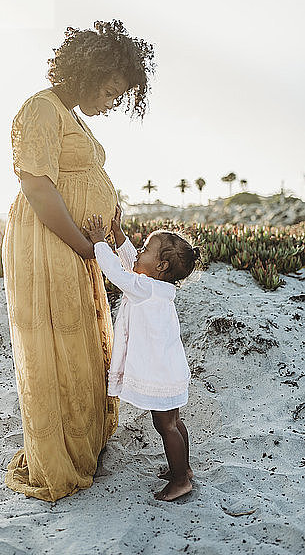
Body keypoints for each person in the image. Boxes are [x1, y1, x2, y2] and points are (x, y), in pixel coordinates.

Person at [2, 20, 156, 501]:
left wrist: (110, 226)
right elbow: (37, 186)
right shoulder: (41, 109)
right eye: (111, 91)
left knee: (82, 343)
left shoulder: (71, 115)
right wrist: (86, 245)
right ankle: (60, 457)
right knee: (56, 343)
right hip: (50, 241)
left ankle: (83, 441)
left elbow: (82, 177)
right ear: (88, 72)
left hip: (79, 242)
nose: (113, 103)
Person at [83, 206, 201, 501]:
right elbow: (131, 263)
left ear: (160, 266)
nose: (139, 251)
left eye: (146, 248)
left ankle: (179, 480)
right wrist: (119, 236)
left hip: (159, 372)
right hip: (170, 369)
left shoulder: (144, 288)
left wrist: (99, 241)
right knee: (174, 422)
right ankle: (184, 470)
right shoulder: (156, 286)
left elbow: (115, 271)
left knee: (165, 425)